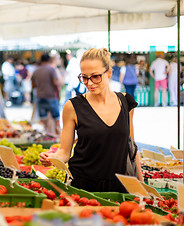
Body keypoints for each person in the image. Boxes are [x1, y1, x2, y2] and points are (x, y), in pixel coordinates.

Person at [40, 48, 143, 193]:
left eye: (95, 76)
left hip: (119, 186)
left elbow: (132, 147)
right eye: (84, 77)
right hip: (82, 185)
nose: (89, 83)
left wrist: (141, 184)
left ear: (109, 73)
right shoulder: (73, 106)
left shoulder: (126, 102)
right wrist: (52, 158)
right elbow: (64, 152)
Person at [31, 53, 61, 136]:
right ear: (49, 60)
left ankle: (44, 137)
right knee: (56, 120)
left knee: (43, 121)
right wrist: (58, 95)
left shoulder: (36, 71)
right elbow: (55, 83)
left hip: (40, 97)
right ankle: (59, 138)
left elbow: (33, 85)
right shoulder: (51, 70)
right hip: (51, 97)